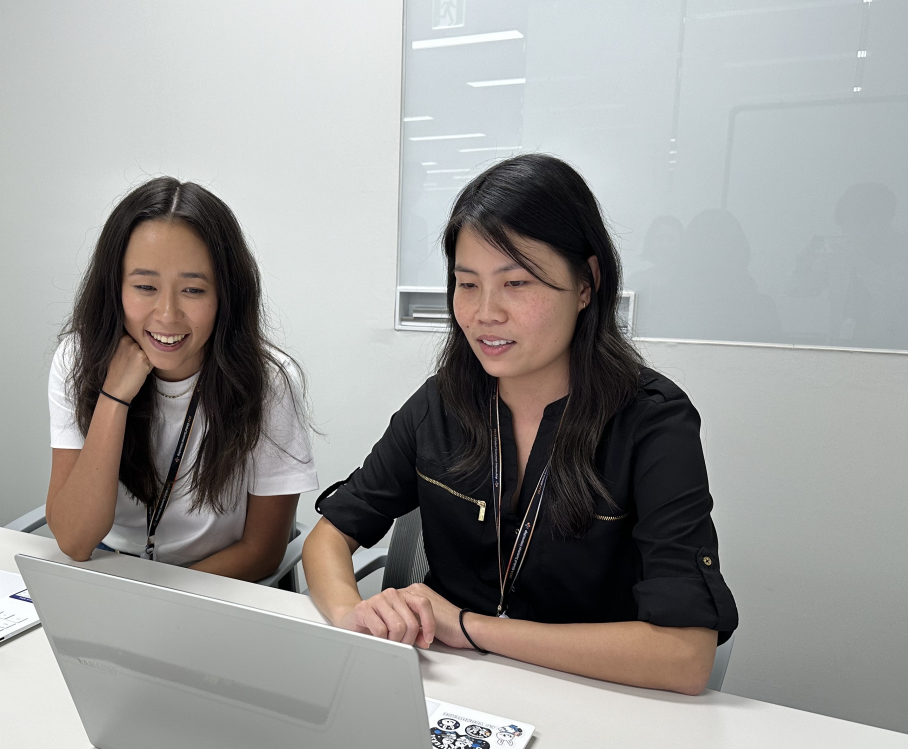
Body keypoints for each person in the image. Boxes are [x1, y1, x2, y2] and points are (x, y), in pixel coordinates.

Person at [303, 154, 737, 695]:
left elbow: (685, 655)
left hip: (597, 702)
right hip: (452, 696)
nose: (485, 313)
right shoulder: (442, 403)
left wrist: (467, 627)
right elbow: (328, 536)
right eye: (467, 283)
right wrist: (352, 618)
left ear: (586, 284)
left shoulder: (652, 424)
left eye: (516, 284)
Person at [46, 177, 317, 580]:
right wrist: (113, 397)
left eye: (192, 290)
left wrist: (156, 599)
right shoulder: (77, 359)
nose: (167, 314)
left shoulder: (269, 382)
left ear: (226, 294)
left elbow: (262, 551)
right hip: (108, 573)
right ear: (114, 287)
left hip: (215, 585)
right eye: (144, 286)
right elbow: (74, 540)